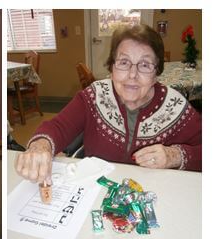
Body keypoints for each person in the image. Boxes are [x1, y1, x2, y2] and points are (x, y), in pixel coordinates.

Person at [15, 24, 202, 185]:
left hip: (151, 197)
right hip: (95, 192)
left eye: (144, 65)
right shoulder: (94, 95)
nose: (132, 74)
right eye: (124, 62)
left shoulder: (175, 105)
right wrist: (41, 145)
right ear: (111, 67)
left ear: (156, 74)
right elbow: (58, 127)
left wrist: (175, 156)